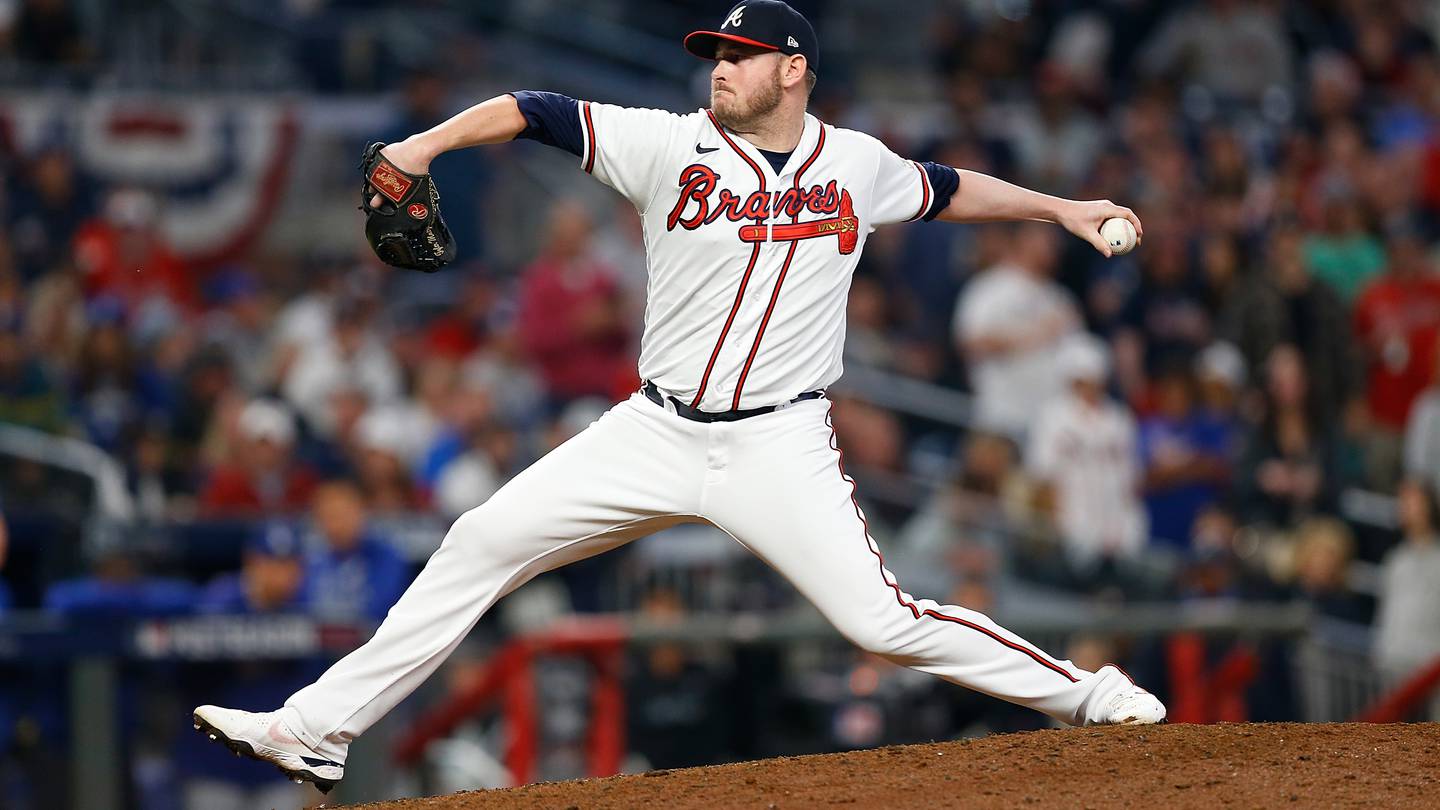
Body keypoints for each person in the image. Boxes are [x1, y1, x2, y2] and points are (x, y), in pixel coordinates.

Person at [193, 2, 1164, 792]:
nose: (721, 68)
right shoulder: (665, 145)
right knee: (480, 539)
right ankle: (317, 729)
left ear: (793, 69)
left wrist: (1064, 208)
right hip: (654, 429)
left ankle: (1090, 694)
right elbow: (533, 107)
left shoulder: (855, 164)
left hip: (780, 446)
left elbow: (947, 189)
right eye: (716, 55)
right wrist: (420, 147)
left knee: (882, 624)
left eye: (741, 56)